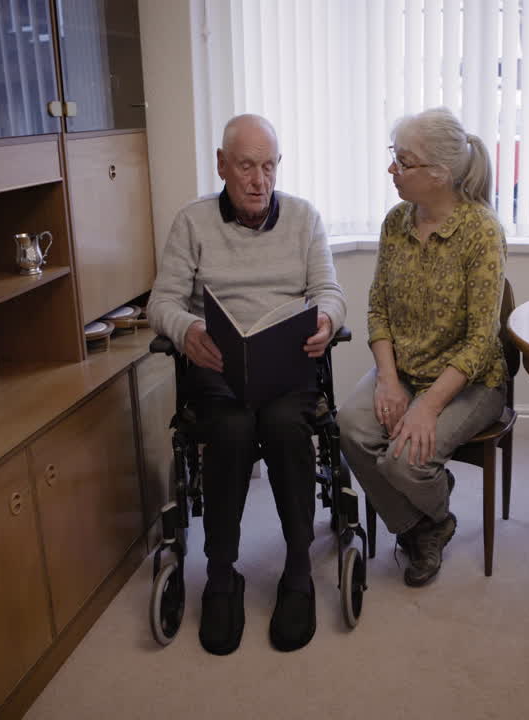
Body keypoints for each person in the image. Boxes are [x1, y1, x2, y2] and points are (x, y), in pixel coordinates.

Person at [148, 114, 346, 655]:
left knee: (285, 427)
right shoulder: (191, 223)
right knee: (231, 431)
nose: (259, 180)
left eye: (268, 166)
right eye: (245, 166)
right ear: (221, 165)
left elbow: (329, 291)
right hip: (218, 367)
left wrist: (327, 319)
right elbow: (160, 302)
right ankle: (220, 574)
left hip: (286, 366)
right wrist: (185, 327)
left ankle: (298, 570)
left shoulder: (305, 218)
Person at [338, 107, 507, 587]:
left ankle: (420, 499)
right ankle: (428, 521)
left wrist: (427, 407)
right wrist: (389, 383)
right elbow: (378, 310)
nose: (392, 170)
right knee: (350, 427)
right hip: (406, 370)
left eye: (403, 161)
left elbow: (481, 342)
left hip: (470, 381)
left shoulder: (482, 232)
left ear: (440, 174)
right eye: (394, 157)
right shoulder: (396, 222)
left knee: (402, 460)